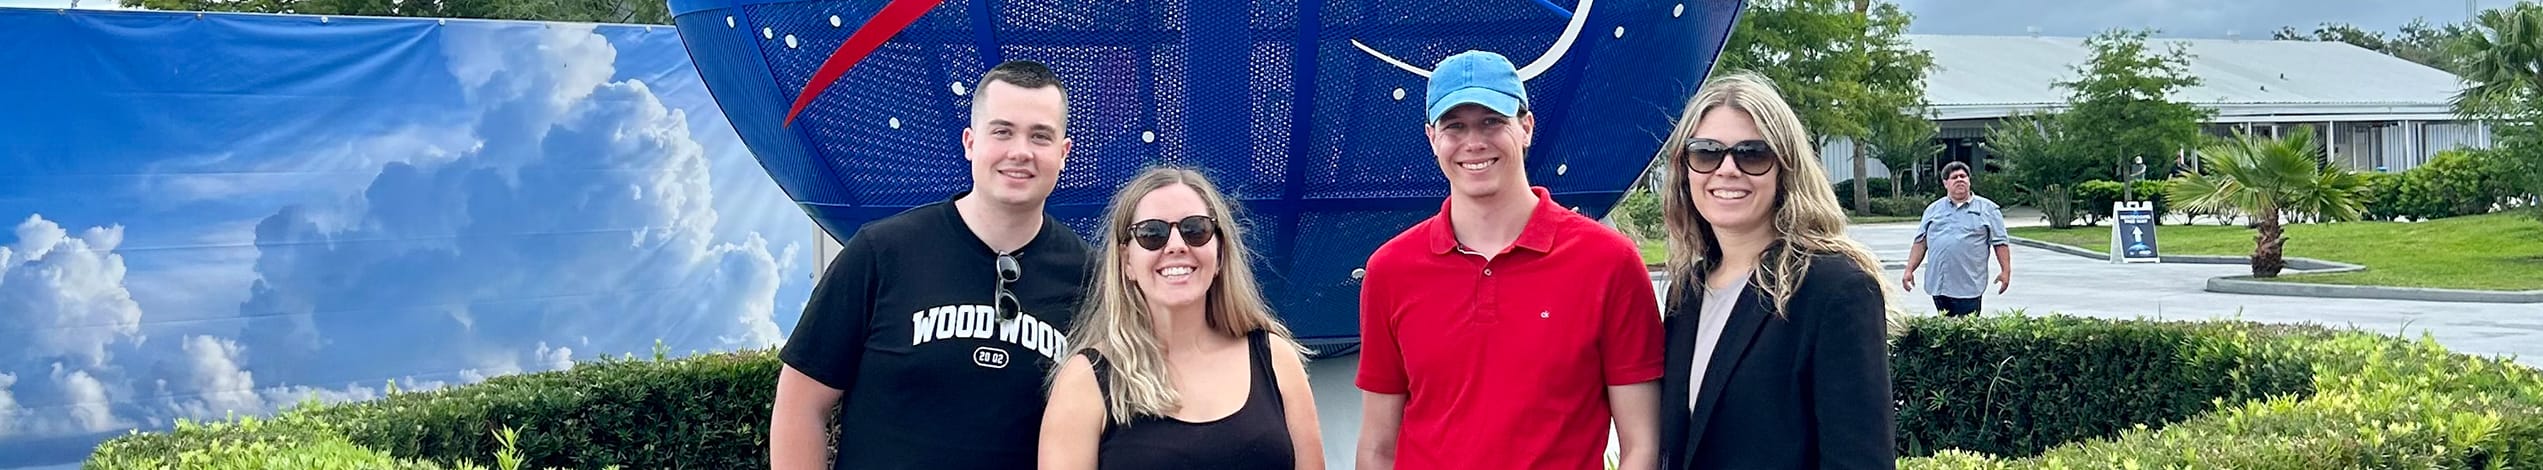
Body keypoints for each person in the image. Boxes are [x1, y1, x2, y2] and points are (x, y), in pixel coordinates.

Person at [771, 60, 1095, 470]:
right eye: (1002, 131)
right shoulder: (882, 252)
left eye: (1040, 136)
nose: (1020, 152)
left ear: (1064, 153)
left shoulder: (1091, 280)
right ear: (970, 142)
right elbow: (800, 404)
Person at [1355, 50, 1664, 470]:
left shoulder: (1609, 263)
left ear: (1526, 128)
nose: (1474, 142)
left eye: (1491, 122)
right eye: (1455, 126)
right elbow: (1377, 448)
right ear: (1432, 138)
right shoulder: (1391, 270)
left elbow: (1641, 444)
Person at [1653, 71, 1895, 469]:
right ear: (1685, 169)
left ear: (1785, 168)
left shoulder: (1835, 289)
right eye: (1707, 152)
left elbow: (1860, 460)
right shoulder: (1688, 290)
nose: (1727, 169)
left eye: (1752, 154)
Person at [1037, 166, 1325, 470]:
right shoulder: (1086, 379)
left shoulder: (1275, 358)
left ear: (1220, 253)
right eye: (1152, 233)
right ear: (1126, 262)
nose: (1176, 245)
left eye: (1195, 230)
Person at [1901, 160, 2012, 317]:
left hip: (1969, 285)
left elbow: (2000, 243)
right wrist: (1909, 269)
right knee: (1945, 329)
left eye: (1963, 176)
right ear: (1945, 183)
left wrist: (2005, 271)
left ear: (1969, 181)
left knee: (1965, 334)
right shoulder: (1933, 210)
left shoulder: (1988, 210)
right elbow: (1920, 242)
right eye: (1954, 177)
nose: (1960, 179)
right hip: (1939, 284)